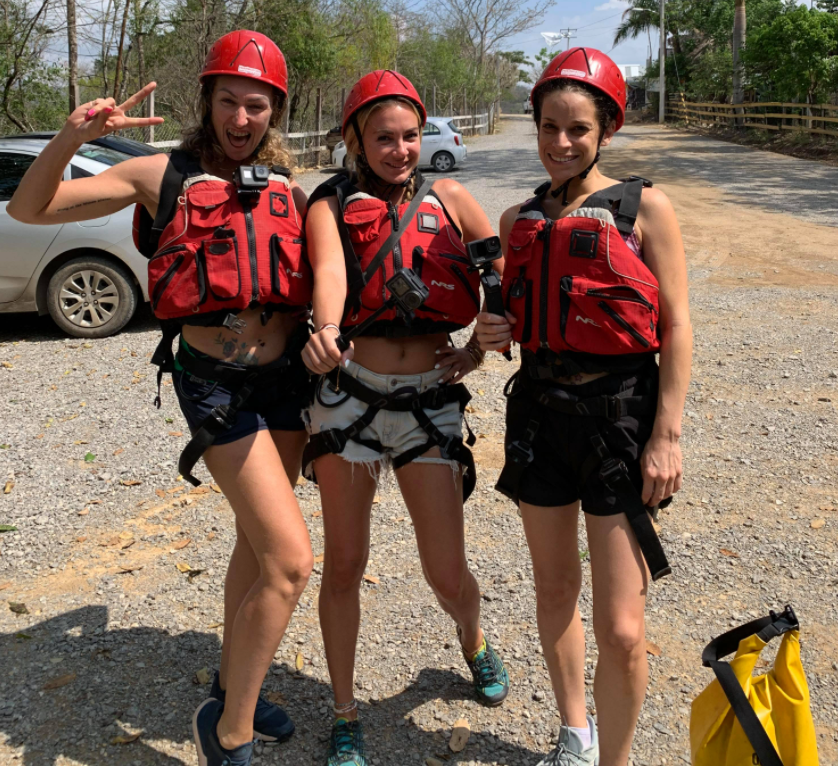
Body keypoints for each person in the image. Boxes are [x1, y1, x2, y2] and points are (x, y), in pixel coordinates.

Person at [9, 31, 315, 766]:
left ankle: (231, 681)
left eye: (257, 106)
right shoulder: (159, 174)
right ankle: (229, 729)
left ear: (275, 111)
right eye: (229, 102)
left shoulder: (288, 188)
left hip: (286, 384)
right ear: (206, 102)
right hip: (214, 385)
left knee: (255, 542)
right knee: (290, 560)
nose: (242, 119)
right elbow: (30, 206)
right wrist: (71, 136)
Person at [476, 47, 692, 766]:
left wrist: (667, 435)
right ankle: (575, 728)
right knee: (554, 590)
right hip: (539, 415)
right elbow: (506, 315)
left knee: (624, 628)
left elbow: (677, 325)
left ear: (606, 130)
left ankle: (615, 760)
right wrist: (491, 328)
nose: (560, 143)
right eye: (547, 127)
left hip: (620, 421)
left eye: (577, 129)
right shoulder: (519, 220)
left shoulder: (644, 208)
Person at [300, 70, 510, 766]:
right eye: (383, 137)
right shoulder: (328, 203)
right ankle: (344, 710)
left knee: (447, 574)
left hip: (428, 401)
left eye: (410, 136)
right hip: (349, 399)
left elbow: (500, 279)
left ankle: (473, 639)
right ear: (355, 139)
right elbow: (330, 274)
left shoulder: (450, 198)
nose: (399, 150)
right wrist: (327, 330)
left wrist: (481, 348)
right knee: (344, 564)